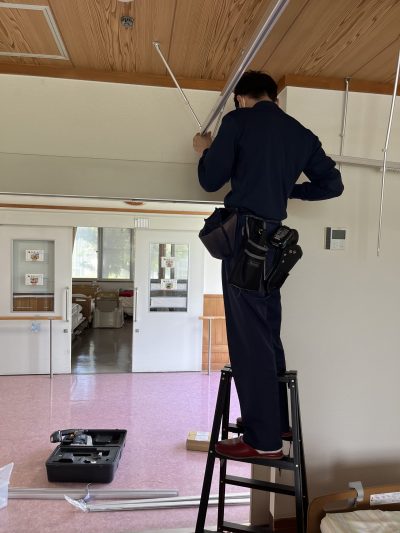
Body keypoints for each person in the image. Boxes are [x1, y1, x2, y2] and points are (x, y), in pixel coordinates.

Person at [193, 70, 344, 460]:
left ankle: (264, 441)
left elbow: (211, 179)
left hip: (245, 240)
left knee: (249, 340)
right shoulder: (301, 134)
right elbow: (332, 185)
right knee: (266, 332)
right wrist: (287, 188)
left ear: (241, 98)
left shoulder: (238, 120)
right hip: (275, 242)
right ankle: (276, 422)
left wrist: (204, 150)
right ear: (274, 97)